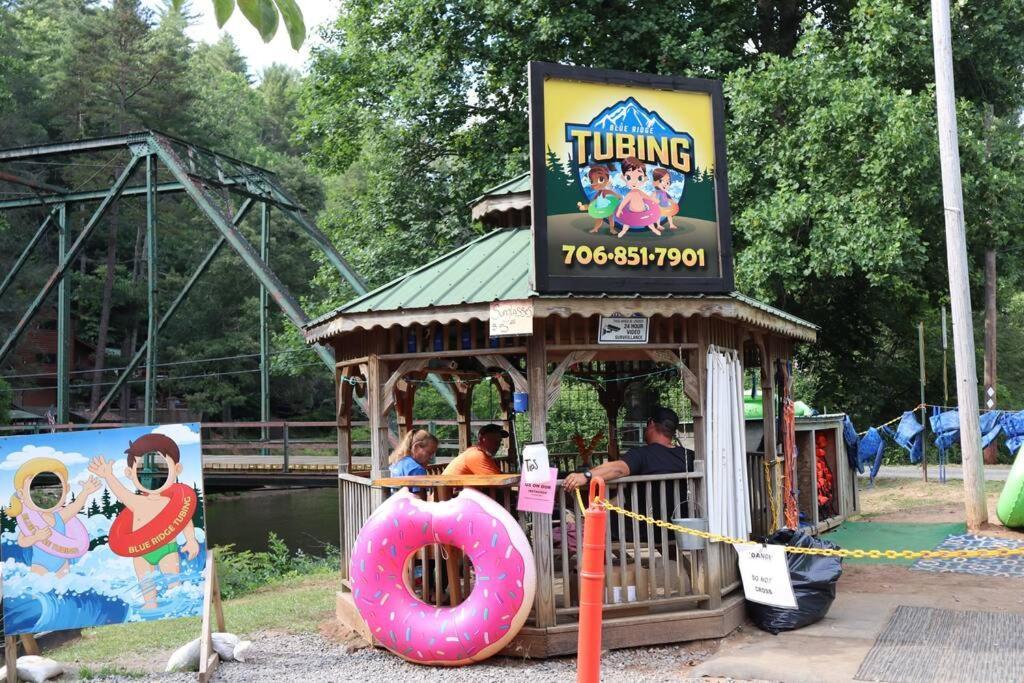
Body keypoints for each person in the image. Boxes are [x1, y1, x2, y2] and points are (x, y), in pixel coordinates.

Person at [563, 406, 693, 490]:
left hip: (647, 529)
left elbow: (618, 469)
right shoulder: (690, 456)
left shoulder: (642, 455)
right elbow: (624, 499)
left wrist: (585, 476)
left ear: (651, 424)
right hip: (684, 524)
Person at [442, 424, 508, 476]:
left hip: (464, 492)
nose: (498, 444)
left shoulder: (485, 456)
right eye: (494, 440)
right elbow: (498, 480)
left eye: (499, 441)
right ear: (481, 439)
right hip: (454, 493)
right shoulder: (476, 455)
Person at [387, 429, 439, 493]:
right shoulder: (417, 469)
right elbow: (419, 499)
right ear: (416, 447)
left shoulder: (397, 462)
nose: (431, 457)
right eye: (429, 453)